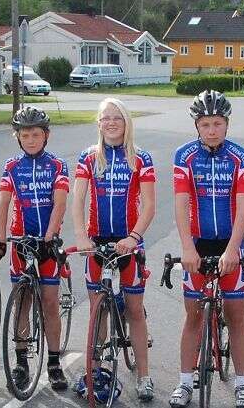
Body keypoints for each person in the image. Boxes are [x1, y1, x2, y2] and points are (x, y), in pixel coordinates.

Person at [168, 90, 244, 408]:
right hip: (197, 242)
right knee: (192, 317)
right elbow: (181, 205)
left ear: (227, 124)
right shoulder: (184, 156)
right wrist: (187, 248)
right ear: (197, 126)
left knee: (237, 317)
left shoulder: (241, 157)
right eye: (205, 124)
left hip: (231, 241)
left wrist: (232, 251)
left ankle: (243, 384)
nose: (212, 130)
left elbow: (243, 209)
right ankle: (184, 382)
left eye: (217, 123)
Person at [71, 97, 157, 402]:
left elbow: (149, 206)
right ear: (98, 123)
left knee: (134, 310)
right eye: (105, 118)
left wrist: (133, 237)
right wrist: (81, 236)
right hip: (97, 242)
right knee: (98, 312)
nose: (111, 123)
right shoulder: (89, 157)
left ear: (126, 123)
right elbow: (78, 199)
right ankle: (94, 372)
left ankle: (144, 376)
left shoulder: (140, 158)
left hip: (129, 243)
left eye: (117, 118)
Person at [0, 106, 70, 390]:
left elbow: (60, 203)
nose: (30, 140)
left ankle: (54, 362)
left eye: (35, 134)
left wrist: (50, 236)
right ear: (17, 137)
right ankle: (21, 361)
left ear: (46, 135)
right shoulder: (12, 166)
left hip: (47, 240)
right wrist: (1, 237)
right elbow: (3, 202)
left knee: (49, 301)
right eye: (24, 135)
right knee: (22, 300)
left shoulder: (57, 165)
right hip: (21, 239)